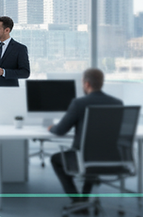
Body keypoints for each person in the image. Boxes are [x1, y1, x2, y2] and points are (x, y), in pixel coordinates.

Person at [48, 68, 122, 205]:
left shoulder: (79, 103)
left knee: (56, 159)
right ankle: (85, 197)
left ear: (87, 84)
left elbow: (60, 130)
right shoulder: (117, 103)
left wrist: (52, 128)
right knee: (92, 154)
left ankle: (77, 200)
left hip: (84, 159)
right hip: (112, 159)